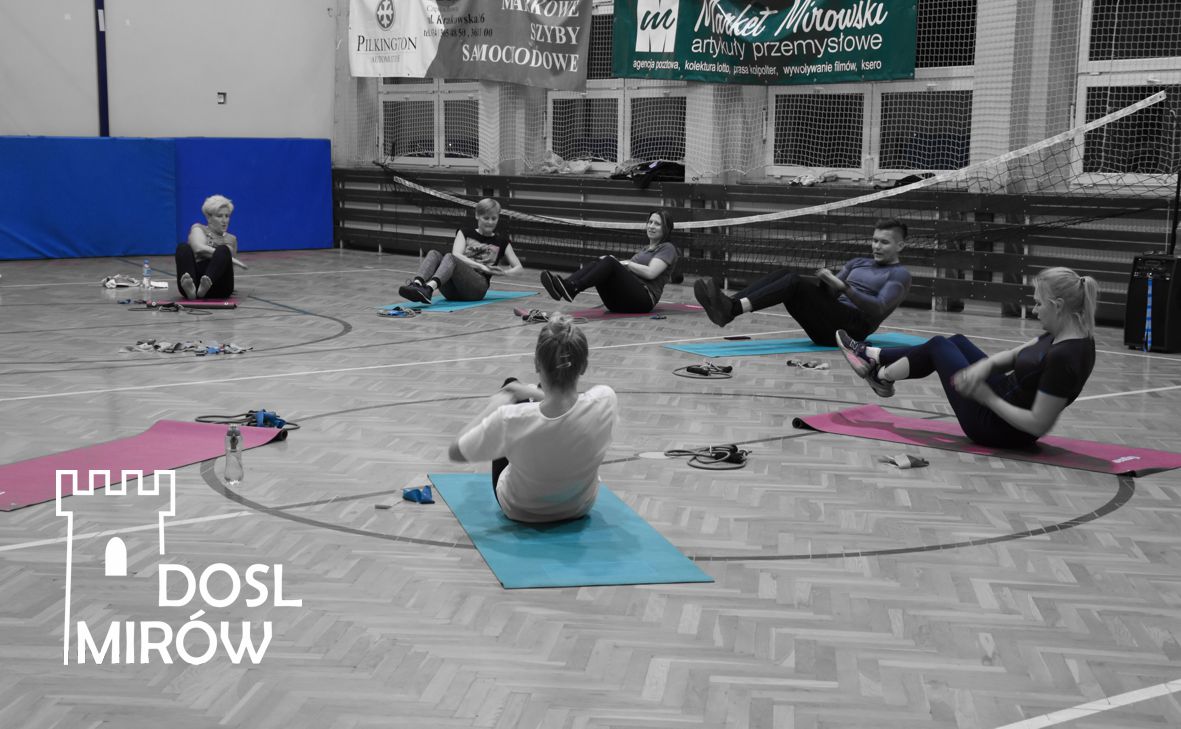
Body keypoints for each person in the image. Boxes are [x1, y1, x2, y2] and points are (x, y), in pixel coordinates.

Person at [836, 267, 1098, 448]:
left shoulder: (1066, 357)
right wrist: (983, 368)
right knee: (957, 341)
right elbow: (1012, 356)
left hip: (996, 427)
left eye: (1039, 303)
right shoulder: (1061, 333)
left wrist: (987, 397)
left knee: (938, 346)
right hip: (1001, 393)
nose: (1034, 310)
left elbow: (1037, 424)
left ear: (1058, 306)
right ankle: (875, 364)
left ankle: (876, 368)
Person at [448, 314, 617, 523]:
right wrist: (532, 392)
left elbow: (456, 452)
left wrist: (494, 406)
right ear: (583, 366)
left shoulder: (509, 418)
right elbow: (569, 407)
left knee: (512, 387)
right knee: (531, 395)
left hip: (520, 509)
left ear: (537, 364)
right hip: (579, 506)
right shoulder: (606, 399)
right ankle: (533, 392)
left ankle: (522, 392)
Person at [694, 218, 912, 346]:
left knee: (794, 282)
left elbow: (878, 308)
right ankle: (728, 306)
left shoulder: (899, 275)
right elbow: (830, 296)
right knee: (784, 274)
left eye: (884, 242)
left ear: (900, 246)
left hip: (852, 331)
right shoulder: (858, 263)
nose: (876, 246)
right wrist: (826, 282)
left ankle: (731, 309)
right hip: (830, 322)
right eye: (874, 240)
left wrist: (843, 286)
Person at [538, 210, 679, 314]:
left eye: (657, 224)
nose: (651, 226)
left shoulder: (668, 248)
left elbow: (650, 273)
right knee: (599, 261)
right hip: (616, 302)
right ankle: (565, 287)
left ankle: (573, 288)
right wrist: (611, 262)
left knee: (610, 262)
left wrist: (624, 263)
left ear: (666, 229)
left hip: (643, 301)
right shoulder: (645, 249)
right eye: (650, 222)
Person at [399, 198, 523, 304]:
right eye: (486, 218)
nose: (490, 222)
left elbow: (519, 268)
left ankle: (429, 289)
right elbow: (456, 254)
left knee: (450, 257)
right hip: (451, 291)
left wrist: (504, 273)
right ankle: (417, 284)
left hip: (476, 290)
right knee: (434, 253)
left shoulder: (502, 241)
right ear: (477, 216)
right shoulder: (465, 232)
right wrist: (481, 266)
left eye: (494, 218)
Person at [175, 194, 247, 300]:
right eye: (220, 216)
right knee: (182, 247)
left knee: (223, 250)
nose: (224, 220)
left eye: (227, 216)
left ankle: (206, 285)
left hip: (219, 287)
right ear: (209, 217)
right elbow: (198, 248)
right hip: (195, 282)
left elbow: (226, 262)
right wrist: (231, 259)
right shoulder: (198, 228)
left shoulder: (231, 239)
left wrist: (223, 255)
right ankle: (190, 290)